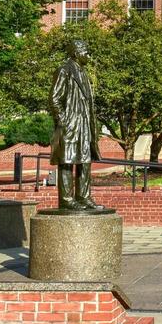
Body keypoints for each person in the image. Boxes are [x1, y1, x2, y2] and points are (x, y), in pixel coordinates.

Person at [49, 39, 103, 213]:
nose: (88, 55)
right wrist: (63, 121)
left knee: (85, 161)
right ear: (75, 53)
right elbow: (55, 98)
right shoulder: (64, 71)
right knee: (67, 162)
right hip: (70, 124)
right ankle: (66, 200)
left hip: (84, 123)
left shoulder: (83, 73)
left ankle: (84, 197)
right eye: (85, 51)